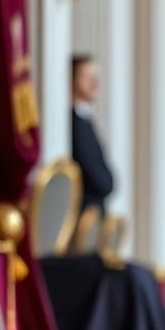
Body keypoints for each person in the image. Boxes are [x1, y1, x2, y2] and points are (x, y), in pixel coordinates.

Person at [70, 55, 115, 213]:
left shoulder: (85, 120)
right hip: (82, 211)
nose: (95, 83)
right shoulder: (72, 122)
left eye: (95, 77)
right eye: (87, 77)